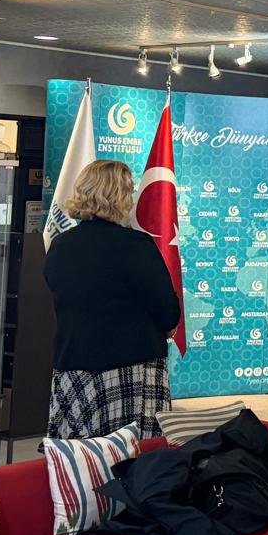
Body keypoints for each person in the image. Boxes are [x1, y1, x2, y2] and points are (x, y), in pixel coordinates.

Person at [44, 159, 181, 439]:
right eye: (129, 191)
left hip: (73, 370)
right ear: (118, 196)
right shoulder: (135, 246)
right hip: (131, 372)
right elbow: (168, 313)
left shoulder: (59, 246)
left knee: (79, 456)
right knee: (132, 457)